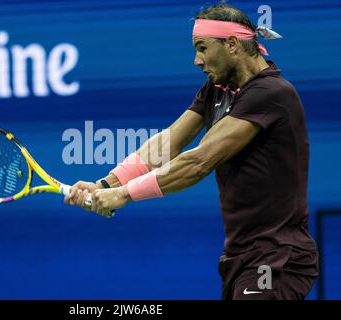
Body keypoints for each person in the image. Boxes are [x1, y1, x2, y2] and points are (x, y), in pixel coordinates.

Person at [64, 3, 319, 300]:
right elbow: (168, 142)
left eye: (202, 48)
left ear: (233, 45)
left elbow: (199, 161)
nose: (197, 61)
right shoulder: (216, 89)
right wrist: (106, 184)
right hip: (240, 256)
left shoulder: (271, 93)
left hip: (276, 257)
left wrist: (124, 195)